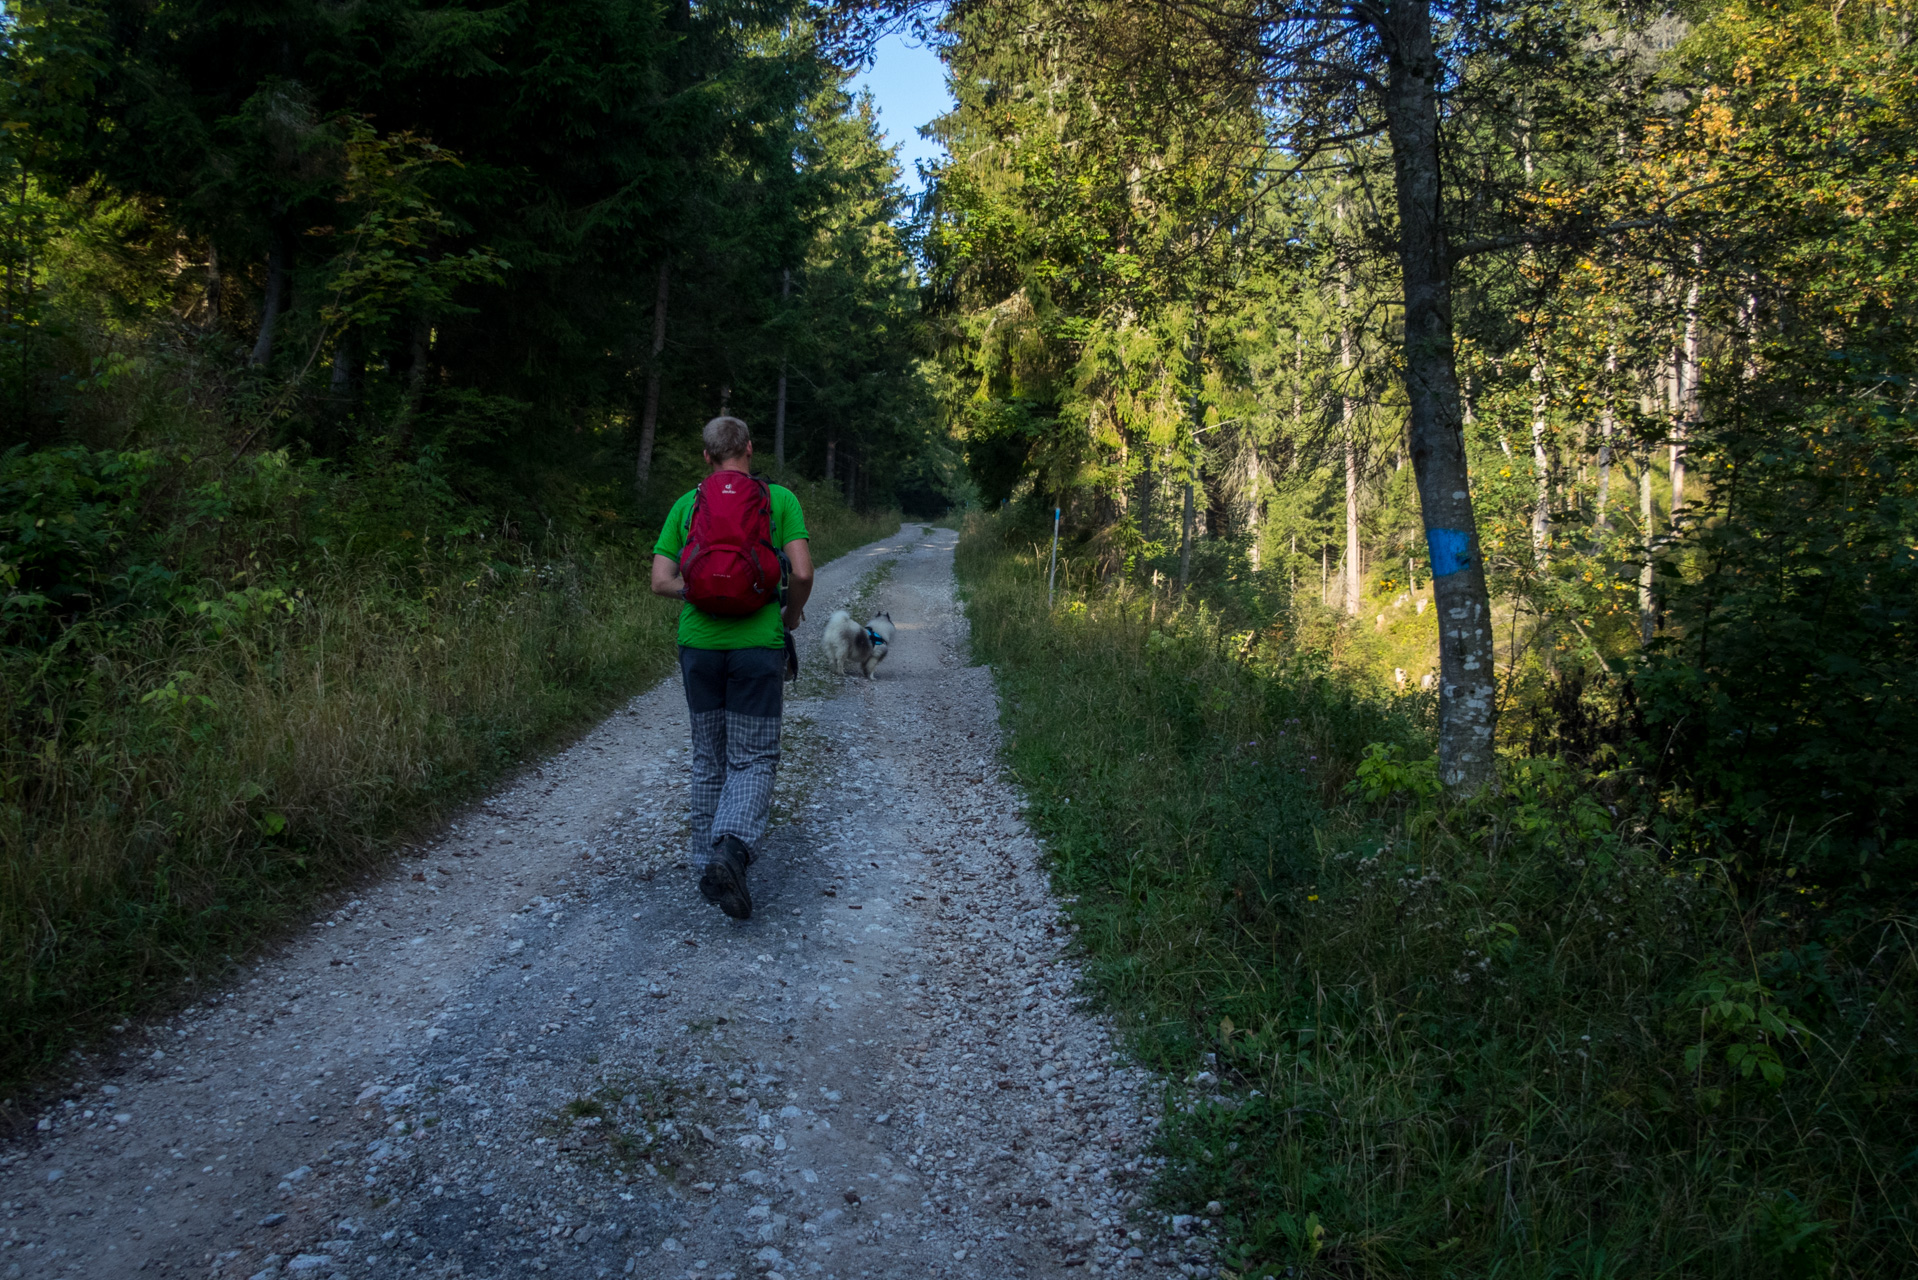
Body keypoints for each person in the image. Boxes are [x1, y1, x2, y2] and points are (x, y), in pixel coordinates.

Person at [651, 416, 813, 919]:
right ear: (748, 448)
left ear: (706, 457)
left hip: (698, 645)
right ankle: (732, 851)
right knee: (754, 758)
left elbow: (661, 581)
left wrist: (698, 590)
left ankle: (708, 862)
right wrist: (788, 613)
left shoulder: (688, 503)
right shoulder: (778, 500)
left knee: (709, 758)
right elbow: (802, 571)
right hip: (756, 648)